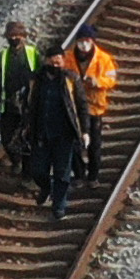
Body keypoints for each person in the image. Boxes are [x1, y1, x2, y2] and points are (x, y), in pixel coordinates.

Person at [26, 51, 86, 220]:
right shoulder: (37, 80)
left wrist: (85, 130)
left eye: (58, 62)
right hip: (41, 134)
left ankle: (59, 207)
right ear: (46, 62)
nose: (55, 65)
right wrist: (27, 126)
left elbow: (81, 106)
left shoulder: (70, 79)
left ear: (63, 62)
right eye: (52, 62)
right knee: (38, 170)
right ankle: (45, 187)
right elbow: (29, 104)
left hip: (64, 135)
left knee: (62, 173)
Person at [62, 24, 116, 180]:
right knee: (74, 144)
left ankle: (93, 176)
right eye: (81, 40)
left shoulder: (104, 59)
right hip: (73, 107)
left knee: (94, 145)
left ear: (92, 41)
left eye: (87, 40)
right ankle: (79, 174)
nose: (84, 44)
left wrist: (97, 82)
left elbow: (111, 79)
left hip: (94, 107)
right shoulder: (68, 57)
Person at [0, 21, 40, 177]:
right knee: (7, 140)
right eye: (11, 36)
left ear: (24, 37)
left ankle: (27, 172)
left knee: (28, 139)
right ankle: (16, 161)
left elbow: (43, 76)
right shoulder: (2, 58)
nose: (15, 38)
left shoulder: (33, 54)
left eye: (18, 35)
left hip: (29, 105)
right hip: (9, 105)